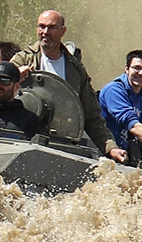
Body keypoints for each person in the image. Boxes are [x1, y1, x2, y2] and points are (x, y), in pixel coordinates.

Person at [10, 10, 121, 161]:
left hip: (62, 142)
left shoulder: (75, 69)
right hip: (24, 138)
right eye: (41, 27)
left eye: (52, 27)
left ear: (63, 31)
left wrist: (110, 147)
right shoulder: (23, 60)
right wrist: (14, 76)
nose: (45, 32)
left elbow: (91, 115)